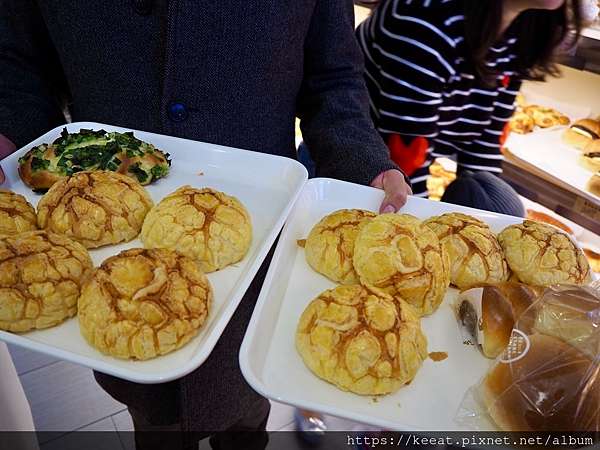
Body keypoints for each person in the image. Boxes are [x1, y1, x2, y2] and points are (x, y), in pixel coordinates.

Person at [0, 1, 411, 449]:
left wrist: (363, 165)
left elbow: (332, 79)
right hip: (104, 236)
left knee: (245, 404)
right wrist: (11, 132)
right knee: (153, 412)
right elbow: (19, 64)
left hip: (256, 235)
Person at [356, 0, 583, 203]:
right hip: (357, 170)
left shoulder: (524, 25)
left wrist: (483, 214)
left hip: (397, 166)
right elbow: (404, 160)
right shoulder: (426, 16)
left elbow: (485, 143)